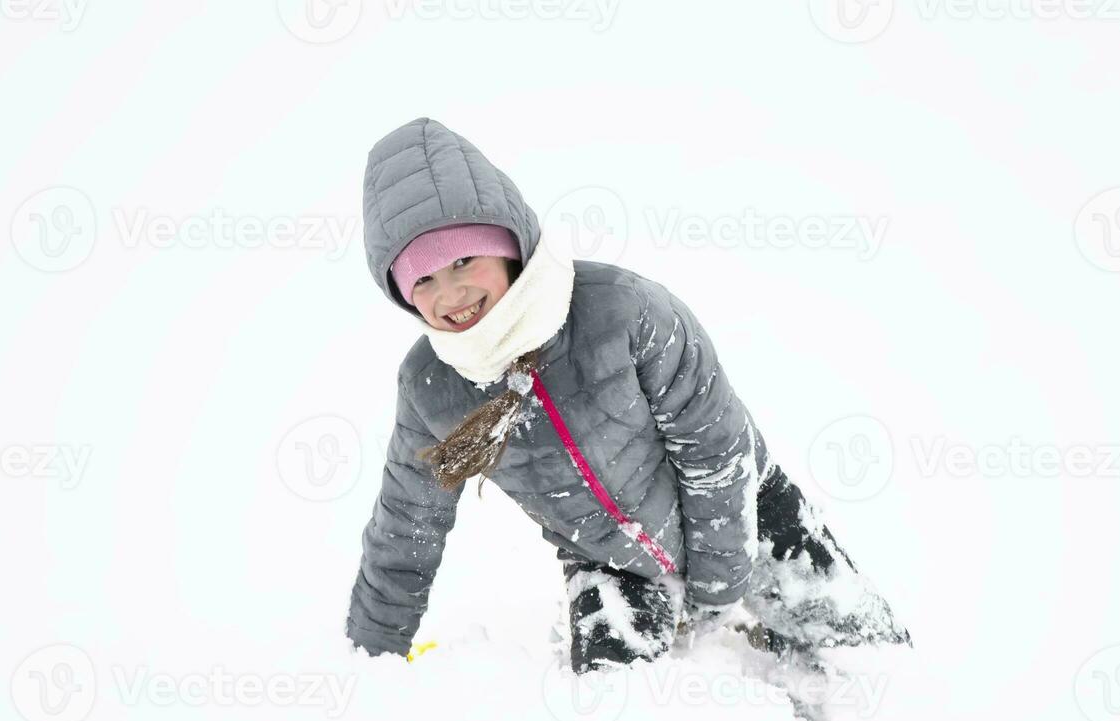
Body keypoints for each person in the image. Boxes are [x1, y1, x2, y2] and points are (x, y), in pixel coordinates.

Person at [345, 117, 908, 673]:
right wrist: (369, 654)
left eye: (464, 260)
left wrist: (717, 588)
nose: (452, 293)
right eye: (423, 279)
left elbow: (714, 445)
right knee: (617, 711)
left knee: (863, 664)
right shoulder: (432, 387)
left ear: (510, 245)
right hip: (611, 566)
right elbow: (405, 525)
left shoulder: (621, 310)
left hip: (749, 513)